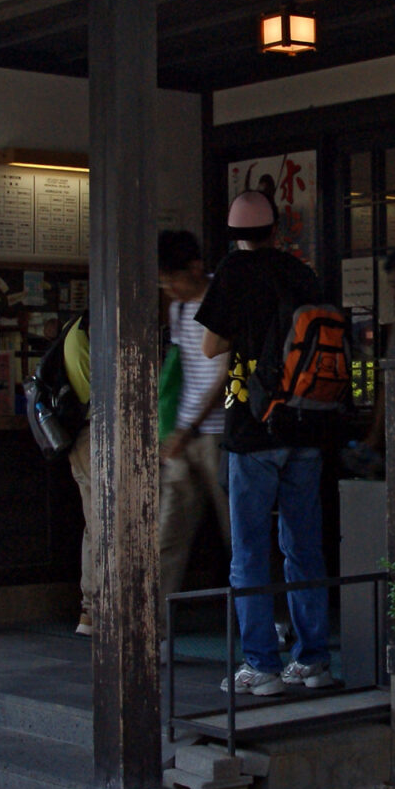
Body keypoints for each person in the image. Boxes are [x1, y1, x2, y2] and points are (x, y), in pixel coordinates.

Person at [198, 188, 338, 697]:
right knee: (303, 545)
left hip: (254, 427)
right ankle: (314, 659)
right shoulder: (302, 272)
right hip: (309, 423)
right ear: (275, 230)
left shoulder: (234, 273)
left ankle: (260, 664)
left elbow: (210, 344)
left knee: (250, 549)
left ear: (235, 238)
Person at [157, 230, 230, 604]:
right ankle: (154, 631)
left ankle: (272, 621)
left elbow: (226, 375)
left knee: (239, 535)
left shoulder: (224, 296)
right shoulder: (179, 308)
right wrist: (175, 428)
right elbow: (181, 372)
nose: (169, 287)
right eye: (163, 281)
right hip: (185, 436)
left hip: (221, 435)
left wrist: (189, 427)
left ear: (196, 267)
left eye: (173, 278)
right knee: (167, 536)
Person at [61, 312, 93, 636]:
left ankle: (90, 610)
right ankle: (95, 608)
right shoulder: (92, 328)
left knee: (93, 524)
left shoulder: (72, 329)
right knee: (101, 524)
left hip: (78, 436)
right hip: (93, 433)